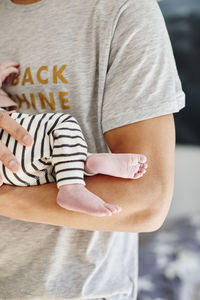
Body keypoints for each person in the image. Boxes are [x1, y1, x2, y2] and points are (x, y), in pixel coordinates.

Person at [0, 0, 185, 299]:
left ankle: (76, 172)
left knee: (59, 130)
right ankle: (81, 165)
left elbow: (147, 201)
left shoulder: (120, 9)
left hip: (75, 292)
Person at [0, 61, 147, 217]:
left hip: (16, 176)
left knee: (58, 161)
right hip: (9, 141)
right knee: (61, 125)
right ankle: (72, 186)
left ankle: (86, 163)